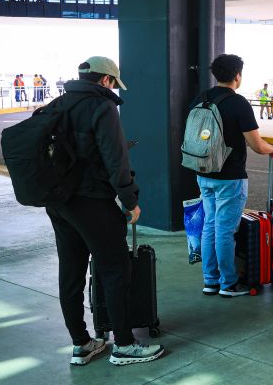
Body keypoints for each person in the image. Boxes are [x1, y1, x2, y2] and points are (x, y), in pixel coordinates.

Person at [45, 56, 165, 366]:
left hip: (59, 202)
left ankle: (82, 343)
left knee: (70, 272)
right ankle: (124, 344)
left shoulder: (58, 104)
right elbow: (116, 160)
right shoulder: (103, 107)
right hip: (91, 202)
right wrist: (130, 200)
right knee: (115, 271)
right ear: (106, 81)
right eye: (113, 82)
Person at [192, 54, 273, 298]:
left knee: (210, 226)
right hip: (229, 177)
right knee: (224, 230)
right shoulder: (238, 103)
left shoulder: (201, 98)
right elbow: (257, 145)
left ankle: (210, 280)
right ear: (237, 76)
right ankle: (228, 283)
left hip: (203, 173)